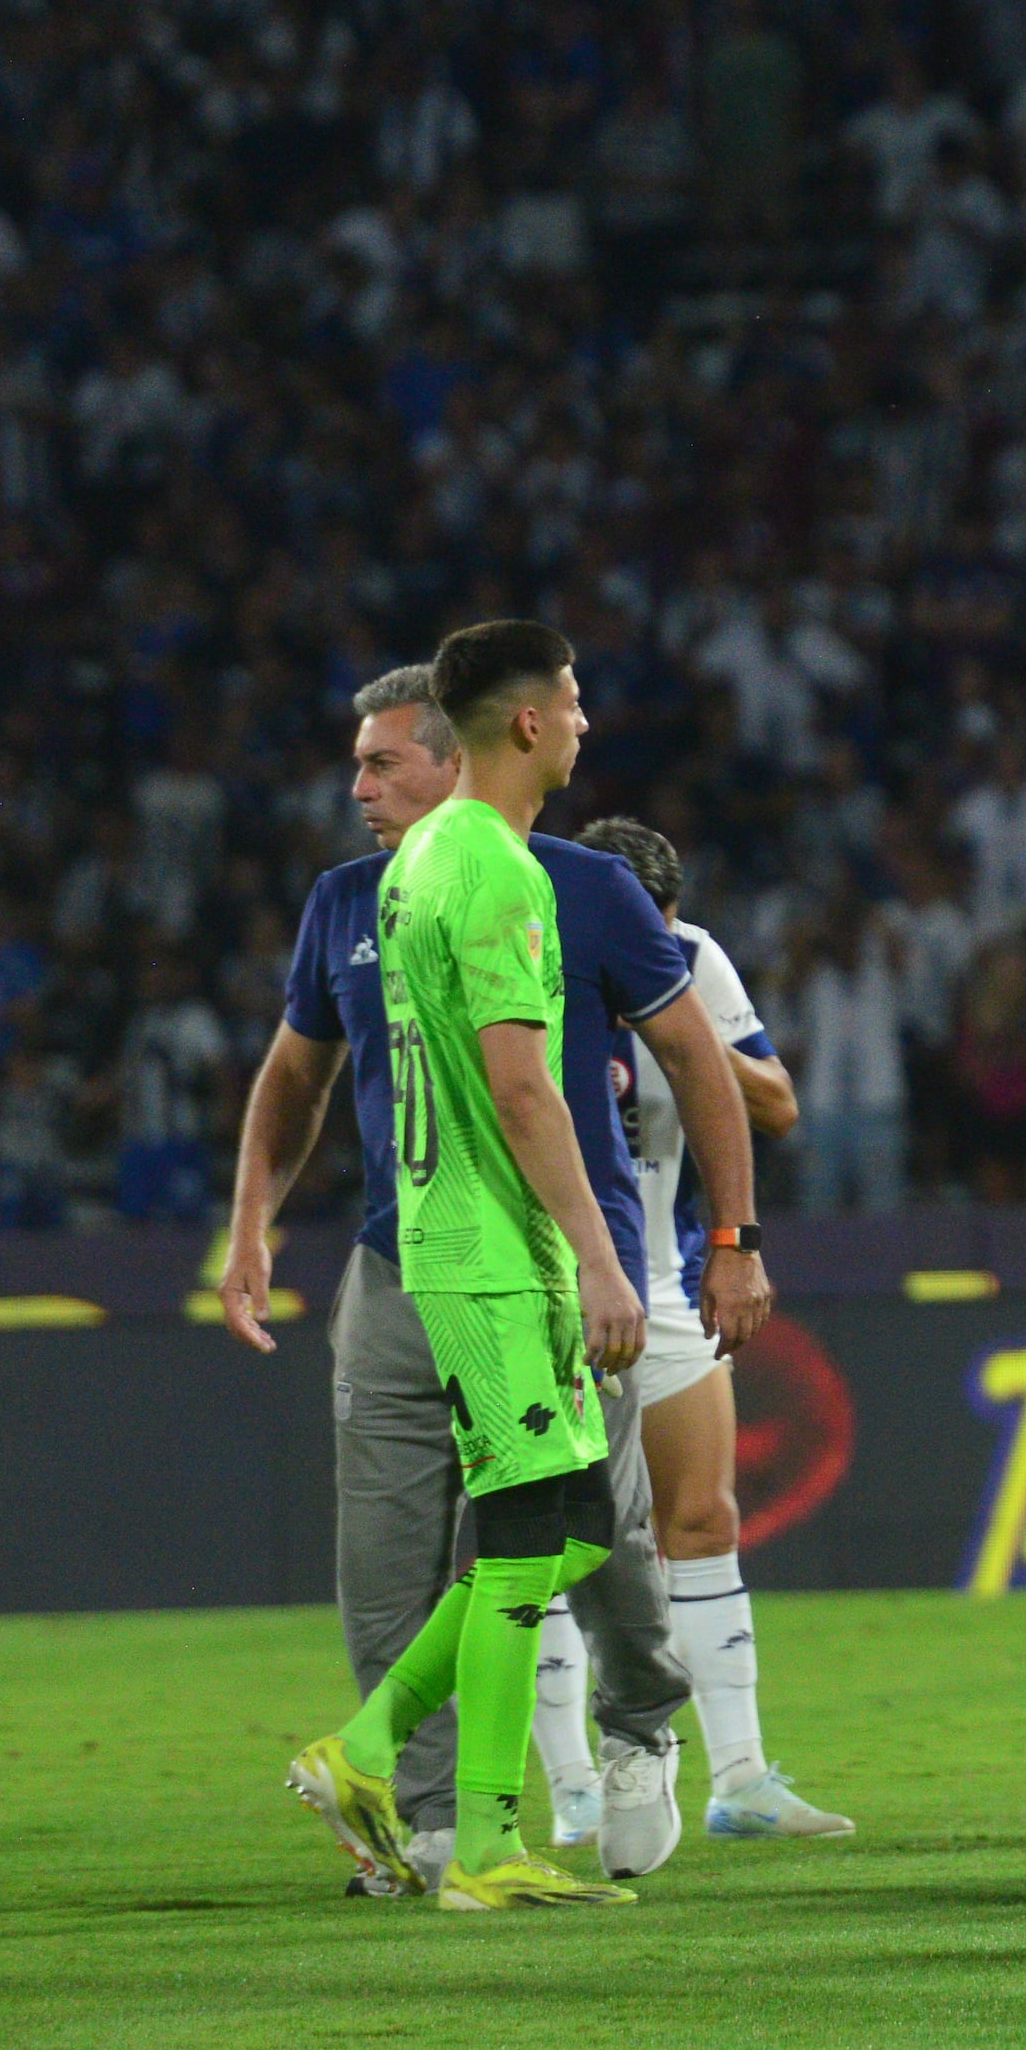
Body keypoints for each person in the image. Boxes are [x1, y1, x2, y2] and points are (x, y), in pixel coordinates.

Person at [227, 661, 747, 1889]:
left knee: (581, 1531)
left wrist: (723, 1236)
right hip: (445, 1265)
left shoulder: (557, 885)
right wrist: (249, 1225)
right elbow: (454, 1083)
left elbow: (698, 1061)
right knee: (452, 1544)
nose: (355, 784)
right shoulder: (393, 893)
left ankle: (619, 1736)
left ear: (449, 754)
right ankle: (449, 1820)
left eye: (377, 760)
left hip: (530, 1258)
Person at [279, 621, 657, 1911]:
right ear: (531, 724)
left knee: (565, 1528)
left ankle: (372, 1748)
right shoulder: (497, 870)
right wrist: (601, 1264)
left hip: (449, 1234)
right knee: (524, 1535)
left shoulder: (416, 864)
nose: (588, 720)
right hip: (493, 1250)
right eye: (575, 697)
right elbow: (518, 1083)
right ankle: (482, 1838)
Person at [573, 818, 842, 1842]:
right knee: (555, 1538)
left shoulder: (687, 960)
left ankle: (740, 1778)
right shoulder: (528, 951)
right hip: (547, 1281)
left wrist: (673, 1027)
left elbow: (775, 1101)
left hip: (664, 1281)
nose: (665, 941)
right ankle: (574, 1793)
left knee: (702, 1517)